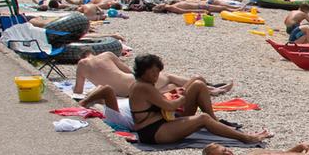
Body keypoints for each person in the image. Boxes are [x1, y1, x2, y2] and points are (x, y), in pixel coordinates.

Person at [128, 54, 271, 145]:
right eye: (152, 72)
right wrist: (182, 97)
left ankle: (215, 123)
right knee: (202, 118)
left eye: (157, 72)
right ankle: (245, 138)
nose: (156, 75)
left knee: (197, 84)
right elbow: (170, 106)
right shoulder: (143, 87)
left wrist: (175, 93)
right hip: (153, 132)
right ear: (143, 71)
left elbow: (158, 100)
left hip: (161, 124)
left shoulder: (144, 85)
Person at [74, 50, 229, 99]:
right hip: (131, 83)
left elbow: (78, 90)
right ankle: (209, 88)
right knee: (168, 76)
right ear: (91, 53)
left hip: (121, 93)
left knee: (170, 86)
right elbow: (130, 71)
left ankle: (205, 87)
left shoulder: (81, 67)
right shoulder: (106, 55)